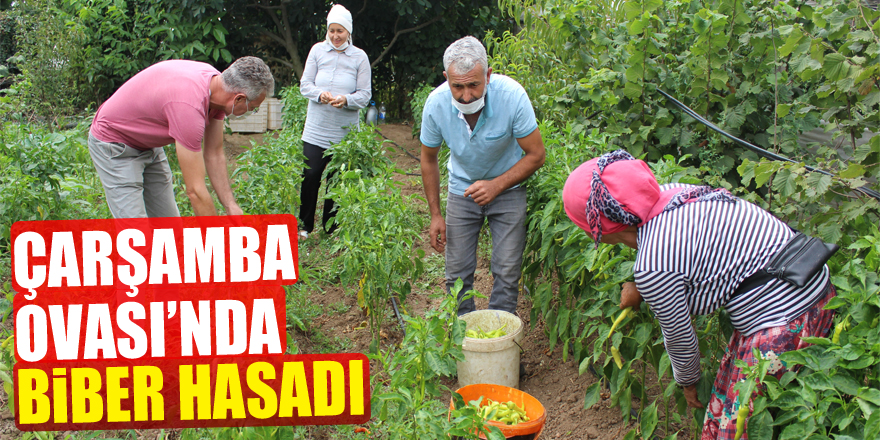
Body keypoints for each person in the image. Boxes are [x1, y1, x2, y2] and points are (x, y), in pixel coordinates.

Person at [562, 150, 836, 440]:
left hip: (785, 316)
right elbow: (685, 254)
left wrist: (689, 383)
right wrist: (642, 288)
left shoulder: (653, 268)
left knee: (741, 429)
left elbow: (680, 335)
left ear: (599, 230)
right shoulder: (674, 195)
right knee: (734, 407)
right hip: (811, 283)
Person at [420, 36, 545, 316]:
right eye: (458, 86)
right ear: (446, 78)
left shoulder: (512, 97)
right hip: (462, 191)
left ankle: (500, 343)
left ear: (488, 75)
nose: (466, 95)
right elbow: (428, 159)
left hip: (509, 189)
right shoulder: (436, 104)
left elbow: (536, 154)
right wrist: (436, 214)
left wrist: (497, 185)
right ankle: (464, 342)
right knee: (457, 274)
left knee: (507, 270)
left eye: (474, 85)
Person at [88, 57, 274, 218]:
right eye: (253, 107)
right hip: (114, 144)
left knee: (169, 228)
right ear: (239, 99)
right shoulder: (188, 107)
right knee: (137, 239)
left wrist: (230, 206)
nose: (252, 112)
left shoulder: (219, 86)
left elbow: (214, 153)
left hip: (147, 143)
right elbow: (195, 191)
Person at [298, 4, 372, 239]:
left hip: (344, 133)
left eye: (340, 31)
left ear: (348, 31)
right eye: (332, 30)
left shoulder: (359, 57)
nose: (335, 36)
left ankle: (330, 229)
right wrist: (320, 95)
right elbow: (305, 84)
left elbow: (365, 94)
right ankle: (305, 226)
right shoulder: (317, 51)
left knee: (336, 180)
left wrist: (346, 99)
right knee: (310, 176)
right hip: (316, 129)